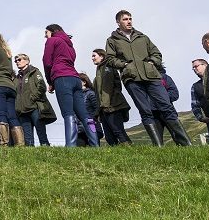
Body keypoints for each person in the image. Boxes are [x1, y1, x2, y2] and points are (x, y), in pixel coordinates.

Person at [104, 10, 191, 146]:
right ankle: (158, 146)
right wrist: (125, 65)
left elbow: (156, 53)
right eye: (125, 19)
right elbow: (109, 59)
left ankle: (186, 144)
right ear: (118, 22)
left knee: (166, 106)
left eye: (130, 18)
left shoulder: (142, 37)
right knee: (145, 111)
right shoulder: (112, 41)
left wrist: (151, 63)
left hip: (152, 76)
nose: (129, 21)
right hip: (131, 78)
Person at [42, 24, 98, 147]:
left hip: (62, 78)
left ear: (52, 31)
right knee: (84, 114)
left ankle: (71, 146)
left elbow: (46, 62)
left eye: (46, 32)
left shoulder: (52, 40)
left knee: (68, 113)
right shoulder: (69, 45)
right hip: (76, 78)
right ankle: (95, 144)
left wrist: (50, 82)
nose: (45, 36)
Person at [0, 33, 24, 146]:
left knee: (0, 113)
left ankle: (4, 144)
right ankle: (20, 144)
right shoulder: (7, 53)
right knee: (12, 116)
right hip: (10, 87)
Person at [91, 49, 131, 145]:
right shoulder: (97, 75)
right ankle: (117, 155)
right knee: (109, 136)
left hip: (113, 105)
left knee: (118, 130)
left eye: (94, 55)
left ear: (101, 56)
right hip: (103, 109)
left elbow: (114, 87)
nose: (92, 58)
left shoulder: (109, 67)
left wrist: (109, 104)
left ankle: (130, 149)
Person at [14, 53, 55, 146]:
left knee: (41, 131)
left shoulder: (34, 72)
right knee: (27, 138)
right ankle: (30, 154)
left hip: (34, 108)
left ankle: (46, 149)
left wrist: (33, 98)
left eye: (19, 60)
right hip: (22, 111)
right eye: (15, 61)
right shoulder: (16, 78)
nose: (17, 62)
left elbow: (42, 87)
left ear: (27, 61)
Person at [77, 73, 103, 146]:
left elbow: (97, 108)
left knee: (95, 148)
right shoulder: (76, 97)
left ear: (84, 82)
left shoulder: (90, 93)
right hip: (79, 129)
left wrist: (91, 119)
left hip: (92, 125)